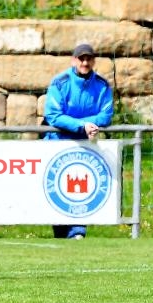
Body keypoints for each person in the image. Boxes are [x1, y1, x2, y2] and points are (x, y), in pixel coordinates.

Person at [43, 43, 114, 240]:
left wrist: (89, 126)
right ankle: (60, 229)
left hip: (86, 145)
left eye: (88, 59)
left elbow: (106, 114)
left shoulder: (102, 85)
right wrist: (82, 125)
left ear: (93, 61)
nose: (85, 62)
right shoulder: (60, 83)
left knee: (83, 187)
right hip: (58, 142)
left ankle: (78, 230)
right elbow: (53, 115)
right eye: (81, 59)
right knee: (58, 187)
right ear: (74, 60)